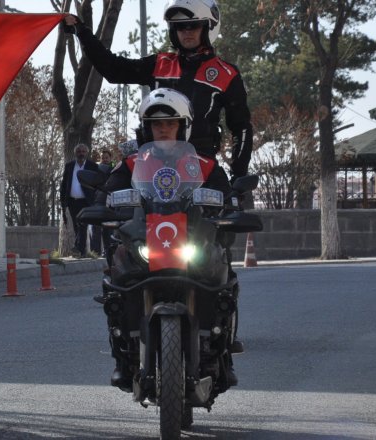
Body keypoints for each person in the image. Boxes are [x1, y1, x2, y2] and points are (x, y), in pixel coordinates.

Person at [97, 88, 236, 389]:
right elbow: (108, 191)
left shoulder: (204, 164)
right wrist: (100, 202)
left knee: (223, 272)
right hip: (145, 238)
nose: (163, 129)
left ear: (182, 126)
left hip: (190, 238)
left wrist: (232, 207)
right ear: (146, 128)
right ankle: (122, 355)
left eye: (170, 123)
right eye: (156, 124)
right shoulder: (132, 163)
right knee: (116, 276)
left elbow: (227, 195)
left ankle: (222, 348)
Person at [63, 0, 253, 182]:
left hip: (201, 168)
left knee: (220, 213)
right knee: (114, 199)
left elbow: (241, 127)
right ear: (172, 29)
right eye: (180, 26)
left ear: (208, 26)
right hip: (153, 165)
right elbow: (112, 69)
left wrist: (239, 176)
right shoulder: (160, 64)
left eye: (193, 25)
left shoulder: (226, 74)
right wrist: (81, 31)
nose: (187, 32)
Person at [59, 143, 98, 257]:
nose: (81, 154)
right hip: (72, 201)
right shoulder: (69, 166)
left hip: (86, 201)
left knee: (83, 224)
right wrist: (63, 202)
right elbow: (64, 184)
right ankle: (81, 250)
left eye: (83, 151)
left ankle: (78, 248)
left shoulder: (92, 166)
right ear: (75, 153)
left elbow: (97, 184)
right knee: (77, 225)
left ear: (87, 153)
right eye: (79, 151)